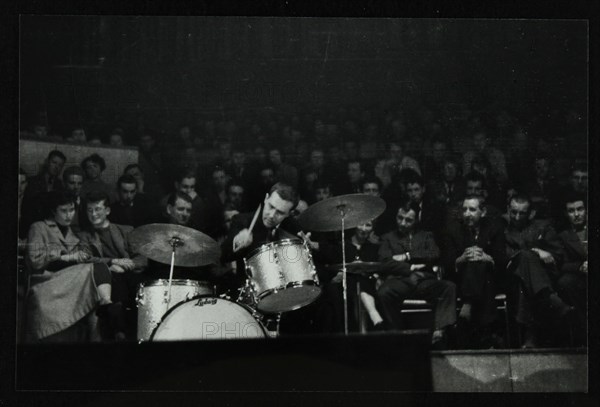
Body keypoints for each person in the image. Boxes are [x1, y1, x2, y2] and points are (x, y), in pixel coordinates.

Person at [25, 190, 118, 343]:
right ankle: (105, 304)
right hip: (46, 282)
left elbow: (83, 258)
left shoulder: (74, 235)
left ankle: (105, 305)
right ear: (54, 210)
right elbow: (35, 261)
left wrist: (84, 256)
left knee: (97, 268)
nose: (69, 215)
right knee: (95, 272)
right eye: (64, 211)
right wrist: (65, 256)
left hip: (69, 284)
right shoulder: (39, 227)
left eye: (72, 210)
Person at [376, 202, 457, 347]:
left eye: (408, 220)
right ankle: (396, 336)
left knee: (448, 287)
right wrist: (411, 266)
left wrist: (407, 256)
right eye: (400, 218)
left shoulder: (426, 236)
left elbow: (433, 254)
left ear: (416, 220)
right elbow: (385, 262)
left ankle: (439, 332)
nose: (403, 223)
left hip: (423, 282)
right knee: (384, 293)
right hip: (400, 281)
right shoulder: (387, 238)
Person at [78, 190, 147, 340]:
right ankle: (119, 332)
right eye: (89, 210)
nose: (93, 214)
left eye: (98, 209)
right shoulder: (84, 236)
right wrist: (112, 262)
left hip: (129, 276)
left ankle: (121, 331)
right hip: (106, 278)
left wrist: (126, 265)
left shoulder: (126, 230)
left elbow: (143, 258)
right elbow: (86, 258)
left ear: (107, 210)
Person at [504, 194, 571, 348]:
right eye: (513, 212)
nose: (517, 216)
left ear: (531, 213)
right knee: (525, 261)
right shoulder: (504, 231)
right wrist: (536, 252)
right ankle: (549, 298)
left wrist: (546, 254)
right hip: (513, 277)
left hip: (544, 275)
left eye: (522, 213)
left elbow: (558, 256)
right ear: (508, 210)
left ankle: (530, 336)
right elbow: (506, 257)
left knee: (526, 284)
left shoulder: (543, 228)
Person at [442, 195, 507, 348]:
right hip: (461, 279)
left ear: (482, 212)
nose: (467, 213)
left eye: (472, 209)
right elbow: (447, 263)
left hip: (490, 278)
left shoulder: (494, 228)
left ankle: (468, 304)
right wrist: (462, 258)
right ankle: (488, 334)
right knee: (473, 261)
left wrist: (487, 258)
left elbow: (501, 260)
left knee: (480, 262)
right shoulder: (453, 230)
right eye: (464, 209)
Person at [220, 182, 302, 295]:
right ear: (266, 198)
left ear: (289, 213)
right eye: (271, 206)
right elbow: (223, 256)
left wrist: (307, 247)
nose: (272, 215)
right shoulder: (242, 221)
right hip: (249, 295)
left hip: (284, 294)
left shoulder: (293, 227)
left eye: (280, 212)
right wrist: (237, 241)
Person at [556, 192, 587, 346]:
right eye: (571, 211)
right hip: (581, 277)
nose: (576, 214)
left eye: (580, 209)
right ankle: (584, 334)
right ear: (566, 214)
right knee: (565, 282)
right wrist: (580, 266)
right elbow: (561, 263)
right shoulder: (563, 236)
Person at [21, 150, 66, 233]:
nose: (56, 167)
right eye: (54, 162)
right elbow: (26, 208)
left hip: (51, 228)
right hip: (31, 225)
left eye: (60, 165)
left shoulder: (60, 186)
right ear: (47, 162)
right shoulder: (32, 181)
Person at [61, 166, 87, 233]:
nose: (76, 187)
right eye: (72, 183)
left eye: (79, 184)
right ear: (64, 183)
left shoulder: (86, 203)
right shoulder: (56, 202)